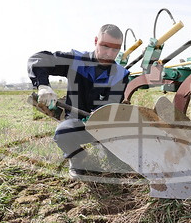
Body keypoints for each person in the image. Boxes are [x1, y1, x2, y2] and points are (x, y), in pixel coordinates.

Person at [27, 24, 130, 179]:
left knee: (118, 163)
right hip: (76, 122)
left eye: (115, 49)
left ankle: (106, 147)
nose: (109, 53)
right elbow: (38, 59)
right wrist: (43, 86)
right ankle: (78, 158)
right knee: (63, 133)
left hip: (104, 126)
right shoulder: (75, 61)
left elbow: (114, 103)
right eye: (104, 46)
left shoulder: (120, 75)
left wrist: (103, 115)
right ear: (96, 41)